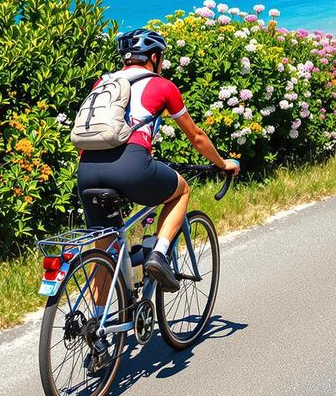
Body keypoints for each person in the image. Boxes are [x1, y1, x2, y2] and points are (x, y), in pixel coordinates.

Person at [77, 28, 239, 293]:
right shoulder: (162, 85)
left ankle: (98, 326)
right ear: (154, 58)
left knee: (104, 250)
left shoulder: (102, 84)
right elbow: (196, 137)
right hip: (130, 165)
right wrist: (222, 164)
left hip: (87, 170)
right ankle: (159, 255)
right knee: (181, 189)